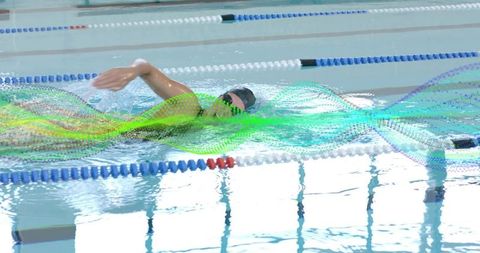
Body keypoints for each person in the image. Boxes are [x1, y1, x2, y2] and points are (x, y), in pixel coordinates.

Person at [92, 58, 256, 118]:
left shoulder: (206, 134)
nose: (224, 109)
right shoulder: (188, 103)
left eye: (233, 111)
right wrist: (133, 71)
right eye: (227, 100)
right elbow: (146, 68)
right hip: (108, 129)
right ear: (219, 97)